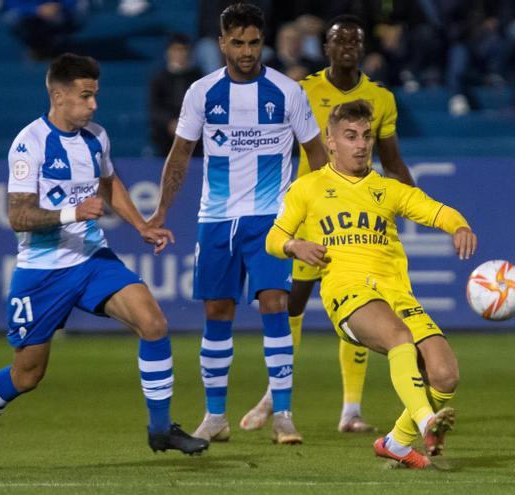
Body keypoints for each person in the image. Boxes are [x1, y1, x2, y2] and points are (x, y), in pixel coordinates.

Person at [0, 53, 209, 470]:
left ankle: (160, 428)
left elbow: (108, 183)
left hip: (91, 259)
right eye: (85, 96)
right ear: (58, 95)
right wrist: (73, 212)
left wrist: (141, 225)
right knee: (28, 375)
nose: (93, 105)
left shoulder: (96, 138)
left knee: (154, 322)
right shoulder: (29, 144)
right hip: (42, 272)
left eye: (95, 95)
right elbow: (17, 215)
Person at [148, 3, 328, 445]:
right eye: (238, 43)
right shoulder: (201, 92)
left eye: (253, 43)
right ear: (223, 43)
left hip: (272, 220)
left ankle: (283, 414)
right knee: (217, 312)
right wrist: (162, 211)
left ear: (262, 41)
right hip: (217, 218)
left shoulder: (288, 92)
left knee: (274, 305)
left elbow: (318, 156)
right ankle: (215, 417)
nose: (247, 52)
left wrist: (314, 216)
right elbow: (179, 156)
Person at [266, 99, 477, 469]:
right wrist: (294, 245)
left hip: (395, 294)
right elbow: (273, 239)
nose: (361, 144)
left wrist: (459, 226)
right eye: (350, 136)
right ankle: (427, 422)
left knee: (445, 374)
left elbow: (435, 209)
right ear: (330, 142)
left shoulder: (387, 189)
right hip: (348, 293)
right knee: (399, 337)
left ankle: (396, 442)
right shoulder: (308, 188)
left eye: (366, 136)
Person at [239, 14, 415, 435]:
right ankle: (274, 393)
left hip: (357, 218)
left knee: (361, 304)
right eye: (339, 40)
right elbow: (276, 150)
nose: (347, 47)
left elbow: (391, 161)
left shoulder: (381, 98)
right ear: (327, 46)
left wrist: (411, 201)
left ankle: (350, 410)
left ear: (362, 47)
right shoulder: (303, 92)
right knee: (293, 303)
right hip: (310, 213)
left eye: (355, 40)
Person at [148, 33, 203, 156]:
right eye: (176, 50)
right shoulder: (159, 78)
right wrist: (170, 123)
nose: (180, 54)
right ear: (168, 52)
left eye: (183, 50)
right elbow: (155, 108)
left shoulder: (197, 77)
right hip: (166, 135)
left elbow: (202, 105)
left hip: (194, 133)